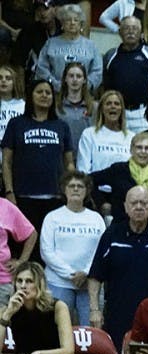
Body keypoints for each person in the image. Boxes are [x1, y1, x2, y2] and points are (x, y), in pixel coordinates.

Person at [88, 185, 148, 351]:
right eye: (134, 203)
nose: (139, 207)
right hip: (119, 312)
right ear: (125, 207)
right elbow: (95, 276)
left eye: (143, 203)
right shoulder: (111, 235)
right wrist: (95, 310)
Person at [1, 78, 74, 237]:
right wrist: (9, 191)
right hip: (23, 196)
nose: (44, 95)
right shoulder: (16, 124)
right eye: (39, 92)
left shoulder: (61, 126)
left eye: (48, 93)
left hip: (55, 196)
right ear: (30, 96)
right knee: (26, 243)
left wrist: (70, 190)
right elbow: (6, 161)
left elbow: (69, 163)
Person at [39, 171, 104, 335]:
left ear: (86, 190)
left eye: (80, 186)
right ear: (64, 189)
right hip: (58, 284)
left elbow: (102, 251)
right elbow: (46, 251)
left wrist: (87, 273)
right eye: (71, 186)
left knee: (90, 333)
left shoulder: (96, 218)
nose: (76, 189)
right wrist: (71, 274)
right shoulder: (52, 217)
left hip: (89, 285)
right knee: (57, 333)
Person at [91, 131, 148, 225]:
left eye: (147, 148)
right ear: (131, 149)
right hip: (121, 224)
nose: (143, 151)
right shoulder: (118, 170)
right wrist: (102, 203)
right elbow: (90, 180)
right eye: (139, 147)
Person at [102, 16, 148, 132]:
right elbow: (103, 87)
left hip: (143, 114)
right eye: (126, 28)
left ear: (141, 32)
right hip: (117, 113)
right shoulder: (110, 55)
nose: (131, 31)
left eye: (135, 28)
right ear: (120, 32)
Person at [34, 5, 102, 93]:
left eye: (76, 20)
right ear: (62, 23)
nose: (72, 23)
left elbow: (97, 71)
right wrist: (55, 85)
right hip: (55, 93)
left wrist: (84, 86)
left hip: (83, 95)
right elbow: (42, 68)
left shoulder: (91, 46)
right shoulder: (51, 43)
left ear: (81, 24)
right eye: (68, 20)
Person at [76, 90, 133, 174]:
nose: (113, 106)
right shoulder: (89, 134)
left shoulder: (131, 137)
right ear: (102, 109)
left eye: (116, 104)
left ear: (121, 109)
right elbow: (83, 169)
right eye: (108, 103)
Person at [0, 195, 37, 304]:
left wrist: (21, 261)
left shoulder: (4, 205)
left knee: (3, 320)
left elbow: (31, 234)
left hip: (2, 282)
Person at [55, 62, 93, 156]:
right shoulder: (56, 107)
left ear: (84, 80)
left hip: (86, 157)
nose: (75, 80)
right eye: (71, 76)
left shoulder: (93, 107)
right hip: (62, 157)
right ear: (65, 79)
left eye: (79, 76)